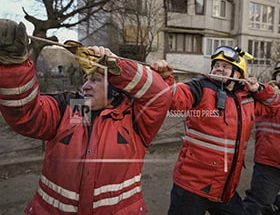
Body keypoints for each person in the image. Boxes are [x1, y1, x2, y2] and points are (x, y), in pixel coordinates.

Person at [0, 19, 172, 214]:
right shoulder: (74, 109)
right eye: (85, 79)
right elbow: (25, 114)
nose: (86, 85)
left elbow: (160, 96)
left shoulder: (132, 119)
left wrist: (117, 66)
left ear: (114, 88)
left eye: (96, 79)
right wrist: (13, 65)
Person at [151, 45, 280, 215]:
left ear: (239, 74)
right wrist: (162, 80)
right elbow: (172, 98)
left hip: (224, 189)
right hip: (191, 187)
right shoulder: (201, 87)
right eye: (216, 65)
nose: (219, 69)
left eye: (226, 67)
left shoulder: (248, 98)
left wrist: (259, 90)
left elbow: (275, 105)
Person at [243, 60, 280, 215]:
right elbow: (266, 93)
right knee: (257, 206)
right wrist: (258, 88)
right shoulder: (270, 96)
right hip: (271, 162)